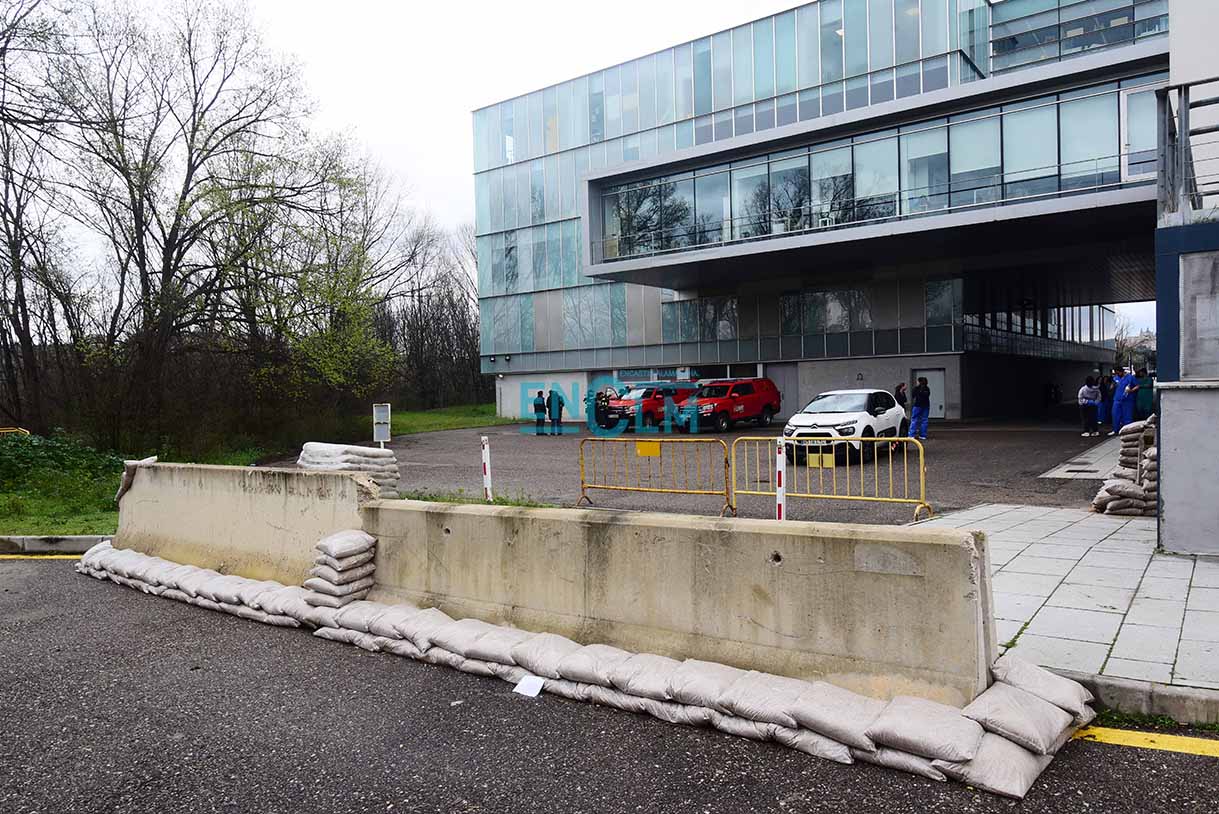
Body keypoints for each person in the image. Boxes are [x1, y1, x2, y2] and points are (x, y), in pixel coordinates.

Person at [1110, 367, 1136, 435]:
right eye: (1116, 373)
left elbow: (1137, 386)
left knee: (1127, 416)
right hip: (1117, 399)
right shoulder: (1115, 378)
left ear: (1122, 371)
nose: (1117, 374)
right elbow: (1113, 386)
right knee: (1115, 414)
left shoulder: (1130, 377)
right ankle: (1116, 430)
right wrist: (1112, 386)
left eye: (1118, 373)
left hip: (1127, 399)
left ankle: (1128, 431)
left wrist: (1131, 390)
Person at [910, 377, 931, 442]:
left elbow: (913, 395)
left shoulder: (916, 388)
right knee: (924, 420)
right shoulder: (927, 388)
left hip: (917, 405)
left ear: (919, 382)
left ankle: (911, 435)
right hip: (926, 405)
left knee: (914, 419)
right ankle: (923, 435)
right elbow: (928, 395)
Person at [1098, 370, 1114, 434]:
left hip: (1107, 399)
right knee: (1102, 410)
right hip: (1103, 399)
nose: (1105, 380)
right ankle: (1102, 420)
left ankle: (1106, 420)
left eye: (1106, 379)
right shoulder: (1101, 386)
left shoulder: (1108, 385)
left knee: (1107, 410)